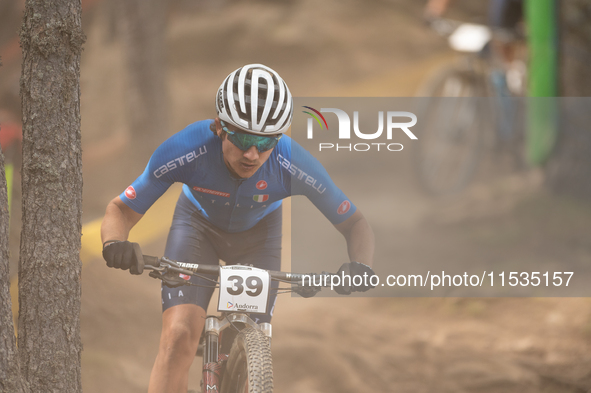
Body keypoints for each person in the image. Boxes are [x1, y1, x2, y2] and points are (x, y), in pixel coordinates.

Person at [100, 64, 376, 393]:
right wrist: (115, 242)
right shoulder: (188, 148)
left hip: (258, 239)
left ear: (279, 138)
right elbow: (121, 209)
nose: (252, 153)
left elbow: (355, 223)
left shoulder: (293, 163)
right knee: (179, 337)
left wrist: (361, 265)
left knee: (250, 340)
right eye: (243, 138)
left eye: (265, 141)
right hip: (197, 229)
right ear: (219, 127)